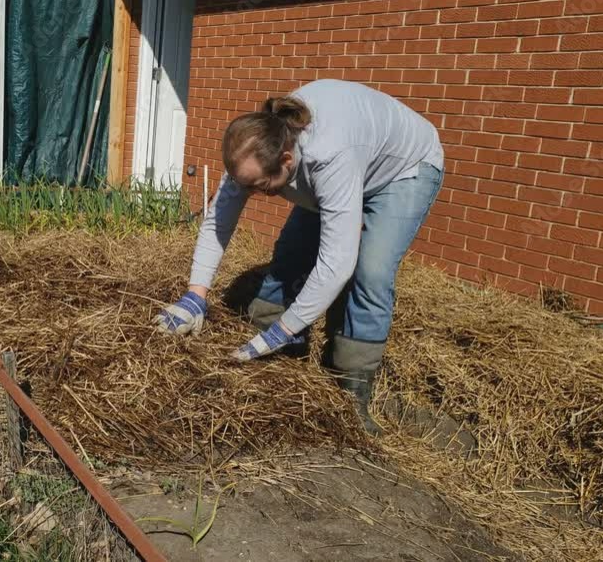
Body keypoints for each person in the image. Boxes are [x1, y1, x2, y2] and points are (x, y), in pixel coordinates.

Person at [153, 79, 445, 432]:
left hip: (403, 170)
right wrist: (195, 296)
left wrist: (286, 329)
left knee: (370, 272)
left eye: (259, 187)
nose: (251, 194)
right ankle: (273, 345)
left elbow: (337, 263)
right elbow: (219, 219)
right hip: (349, 158)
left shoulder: (328, 156)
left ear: (286, 161)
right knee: (292, 251)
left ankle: (352, 387)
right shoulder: (255, 148)